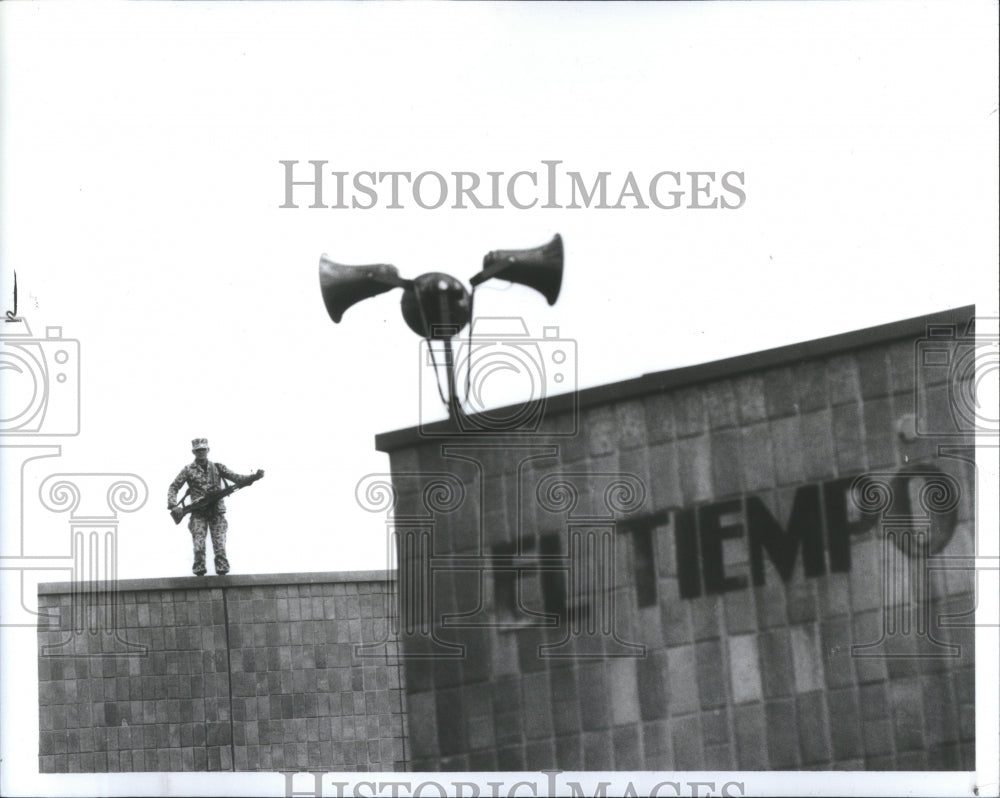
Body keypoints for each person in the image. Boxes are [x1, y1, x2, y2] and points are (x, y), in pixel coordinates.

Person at [167, 438, 262, 576]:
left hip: (217, 512)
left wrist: (254, 477)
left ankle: (222, 576)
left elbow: (237, 479)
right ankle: (199, 575)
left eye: (203, 450)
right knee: (198, 547)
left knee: (220, 546)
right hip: (198, 513)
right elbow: (173, 487)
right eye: (198, 450)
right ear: (194, 452)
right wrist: (173, 505)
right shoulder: (188, 470)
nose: (201, 453)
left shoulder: (217, 467)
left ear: (208, 450)